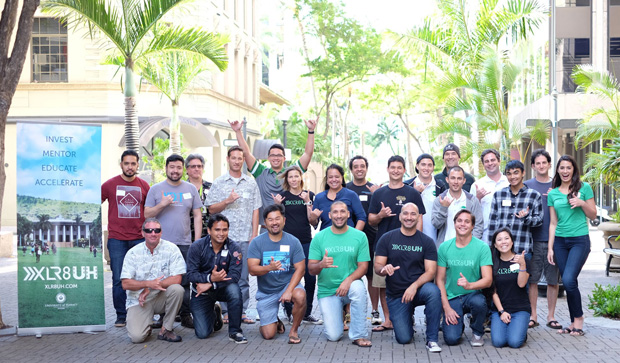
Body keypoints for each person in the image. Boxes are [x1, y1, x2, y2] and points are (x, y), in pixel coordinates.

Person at [368, 155, 426, 332]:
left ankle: (405, 317)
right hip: (384, 247)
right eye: (392, 167)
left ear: (404, 170)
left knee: (407, 281)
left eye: (399, 167)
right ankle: (388, 320)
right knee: (385, 284)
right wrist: (380, 215)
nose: (395, 170)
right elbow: (371, 220)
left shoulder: (412, 193)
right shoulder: (379, 193)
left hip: (409, 246)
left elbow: (420, 218)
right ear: (387, 169)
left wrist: (419, 241)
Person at [374, 203, 442, 352]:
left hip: (418, 290)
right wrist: (384, 269)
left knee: (434, 292)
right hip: (397, 294)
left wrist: (414, 286)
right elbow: (377, 266)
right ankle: (406, 317)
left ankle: (432, 339)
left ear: (418, 217)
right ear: (400, 216)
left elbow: (431, 272)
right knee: (404, 339)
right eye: (405, 214)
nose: (409, 217)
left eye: (413, 214)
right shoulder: (387, 238)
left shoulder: (426, 241)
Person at [205, 146, 261, 324]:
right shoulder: (219, 182)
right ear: (228, 159)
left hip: (245, 237)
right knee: (224, 275)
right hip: (223, 239)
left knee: (242, 277)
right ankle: (227, 312)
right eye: (234, 158)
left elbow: (255, 210)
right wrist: (227, 201)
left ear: (243, 160)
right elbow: (211, 209)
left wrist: (254, 234)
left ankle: (242, 311)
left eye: (240, 158)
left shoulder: (250, 183)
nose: (237, 161)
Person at [145, 154, 202, 329]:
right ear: (166, 168)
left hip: (185, 243)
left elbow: (198, 215)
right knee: (162, 280)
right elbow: (147, 214)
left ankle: (185, 314)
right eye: (172, 167)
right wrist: (162, 204)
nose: (175, 170)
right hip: (161, 244)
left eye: (178, 167)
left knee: (184, 281)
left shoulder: (191, 189)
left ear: (183, 169)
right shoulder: (155, 189)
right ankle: (163, 316)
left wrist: (196, 242)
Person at [229, 118, 317, 231]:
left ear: (284, 158)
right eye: (273, 155)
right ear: (268, 158)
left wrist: (311, 131)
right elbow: (246, 152)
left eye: (279, 155)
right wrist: (238, 132)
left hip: (287, 228)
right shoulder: (260, 172)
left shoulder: (291, 173)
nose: (276, 158)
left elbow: (307, 154)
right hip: (266, 228)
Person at [308, 201, 372, 347]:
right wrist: (321, 264)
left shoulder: (359, 236)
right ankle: (339, 313)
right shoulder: (320, 237)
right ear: (330, 215)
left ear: (348, 214)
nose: (339, 215)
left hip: (350, 286)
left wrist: (348, 281)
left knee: (358, 288)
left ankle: (358, 335)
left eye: (342, 211)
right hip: (328, 291)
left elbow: (363, 267)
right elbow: (311, 269)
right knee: (334, 336)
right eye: (335, 212)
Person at [547, 155, 596, 336]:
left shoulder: (584, 188)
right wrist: (550, 247)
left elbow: (593, 215)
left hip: (579, 240)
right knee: (569, 282)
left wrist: (582, 203)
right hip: (560, 242)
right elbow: (553, 222)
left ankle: (579, 319)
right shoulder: (552, 193)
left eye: (568, 168)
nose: (565, 171)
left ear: (574, 169)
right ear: (558, 170)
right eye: (562, 168)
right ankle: (573, 321)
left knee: (568, 279)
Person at [101, 150, 150, 327]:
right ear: (121, 164)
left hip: (139, 238)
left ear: (138, 165)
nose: (130, 167)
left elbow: (150, 211)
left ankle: (141, 311)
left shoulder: (144, 186)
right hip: (117, 239)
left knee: (142, 276)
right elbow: (92, 202)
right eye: (126, 163)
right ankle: (121, 315)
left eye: (133, 164)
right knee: (118, 279)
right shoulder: (110, 185)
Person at [247, 204, 307, 344]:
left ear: (284, 220)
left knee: (300, 295)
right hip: (267, 292)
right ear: (265, 223)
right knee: (268, 335)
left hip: (288, 285)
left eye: (277, 219)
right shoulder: (257, 242)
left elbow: (301, 269)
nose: (274, 223)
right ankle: (276, 321)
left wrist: (289, 290)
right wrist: (268, 267)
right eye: (270, 219)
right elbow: (252, 269)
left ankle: (294, 330)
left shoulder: (293, 241)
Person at [121, 218, 186, 343]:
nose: (153, 233)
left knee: (177, 290)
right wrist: (147, 284)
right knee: (137, 338)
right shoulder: (133, 253)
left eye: (157, 230)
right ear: (143, 233)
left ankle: (166, 330)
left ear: (161, 232)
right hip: (139, 300)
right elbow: (125, 283)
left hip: (161, 297)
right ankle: (146, 324)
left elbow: (177, 278)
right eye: (149, 230)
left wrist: (151, 287)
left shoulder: (172, 249)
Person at [186, 214, 247, 343]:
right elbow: (191, 274)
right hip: (201, 291)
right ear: (209, 230)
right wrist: (210, 277)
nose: (221, 233)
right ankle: (214, 313)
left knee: (235, 291)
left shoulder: (234, 248)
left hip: (222, 288)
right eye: (217, 230)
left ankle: (235, 331)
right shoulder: (197, 247)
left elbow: (235, 276)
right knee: (202, 333)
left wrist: (211, 283)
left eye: (225, 230)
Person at [273, 165, 322, 325]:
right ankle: (289, 310)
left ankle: (307, 312)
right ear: (287, 179)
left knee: (309, 277)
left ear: (301, 178)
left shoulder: (309, 195)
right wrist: (277, 206)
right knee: (287, 276)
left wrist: (308, 202)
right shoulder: (282, 196)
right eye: (290, 177)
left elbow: (312, 221)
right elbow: (276, 221)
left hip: (306, 241)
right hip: (285, 243)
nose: (294, 179)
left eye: (296, 176)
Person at [437, 209, 492, 347]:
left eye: (467, 221)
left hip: (473, 295)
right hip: (452, 297)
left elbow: (488, 280)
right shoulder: (444, 247)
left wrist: (469, 286)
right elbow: (439, 280)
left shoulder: (482, 247)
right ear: (454, 223)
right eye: (459, 221)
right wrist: (446, 308)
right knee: (451, 339)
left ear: (473, 226)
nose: (463, 224)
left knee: (479, 303)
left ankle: (477, 331)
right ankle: (458, 324)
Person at [524, 149, 562, 330]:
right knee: (533, 279)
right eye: (537, 163)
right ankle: (533, 315)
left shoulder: (558, 184)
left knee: (553, 280)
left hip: (555, 241)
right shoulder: (526, 185)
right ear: (533, 166)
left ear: (549, 164)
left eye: (544, 163)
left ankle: (551, 316)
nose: (541, 166)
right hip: (533, 241)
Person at [346, 155, 381, 325]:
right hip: (350, 240)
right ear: (351, 169)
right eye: (356, 166)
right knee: (350, 275)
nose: (359, 169)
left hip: (372, 238)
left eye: (362, 166)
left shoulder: (374, 189)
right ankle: (349, 312)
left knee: (372, 277)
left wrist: (376, 195)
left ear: (366, 168)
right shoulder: (345, 189)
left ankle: (375, 310)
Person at [488, 160, 543, 254]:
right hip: (501, 251)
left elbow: (539, 221)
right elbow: (492, 223)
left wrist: (526, 218)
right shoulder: (499, 195)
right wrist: (491, 247)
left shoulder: (534, 195)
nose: (512, 177)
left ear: (523, 173)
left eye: (516, 173)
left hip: (522, 248)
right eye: (509, 174)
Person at [489, 227, 530, 348]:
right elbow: (493, 291)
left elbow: (522, 284)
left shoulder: (523, 259)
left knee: (514, 342)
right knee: (498, 342)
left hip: (520, 309)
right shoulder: (492, 263)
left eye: (507, 238)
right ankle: (514, 327)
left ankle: (520, 330)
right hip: (500, 309)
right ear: (495, 245)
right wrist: (501, 311)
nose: (504, 242)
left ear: (512, 242)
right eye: (499, 240)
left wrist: (522, 265)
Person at [431, 166, 484, 244]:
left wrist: (471, 245)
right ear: (447, 179)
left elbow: (478, 226)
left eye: (459, 178)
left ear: (464, 181)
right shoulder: (440, 200)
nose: (456, 182)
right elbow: (436, 224)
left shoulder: (472, 200)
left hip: (467, 248)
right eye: (452, 178)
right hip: (445, 247)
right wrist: (444, 208)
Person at [404, 153, 446, 244]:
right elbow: (403, 209)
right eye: (423, 164)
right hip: (411, 237)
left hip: (434, 237)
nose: (426, 168)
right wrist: (415, 193)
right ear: (417, 166)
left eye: (429, 165)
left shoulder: (440, 186)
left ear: (433, 167)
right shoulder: (408, 185)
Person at [310, 164, 366, 231]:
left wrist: (354, 236)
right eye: (330, 177)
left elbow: (361, 218)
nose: (334, 180)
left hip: (347, 237)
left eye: (337, 177)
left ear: (342, 178)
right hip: (327, 238)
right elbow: (314, 223)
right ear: (327, 179)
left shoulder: (351, 195)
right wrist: (313, 218)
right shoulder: (319, 197)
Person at [470, 149, 509, 243]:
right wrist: (477, 198)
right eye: (486, 161)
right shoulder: (477, 185)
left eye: (493, 160)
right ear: (483, 165)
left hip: (508, 233)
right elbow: (470, 212)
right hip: (485, 235)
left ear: (499, 161)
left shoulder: (509, 182)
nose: (490, 163)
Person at [185, 153, 212, 239]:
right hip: (187, 234)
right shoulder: (182, 188)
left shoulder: (212, 187)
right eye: (193, 166)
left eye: (199, 166)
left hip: (209, 234)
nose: (196, 169)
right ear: (187, 169)